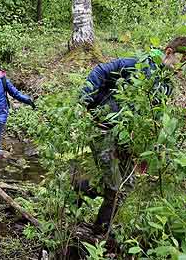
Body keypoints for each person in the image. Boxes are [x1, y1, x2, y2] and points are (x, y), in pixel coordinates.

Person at [78, 37, 186, 233]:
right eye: (183, 60)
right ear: (169, 52)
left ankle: (81, 187)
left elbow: (153, 119)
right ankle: (99, 233)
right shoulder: (139, 63)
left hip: (127, 139)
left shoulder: (167, 85)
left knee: (127, 184)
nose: (182, 67)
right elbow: (101, 70)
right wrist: (86, 101)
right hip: (104, 130)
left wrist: (143, 152)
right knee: (115, 187)